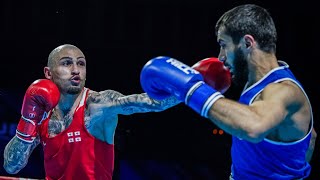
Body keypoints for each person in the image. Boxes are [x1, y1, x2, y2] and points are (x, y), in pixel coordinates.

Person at [140, 4, 317, 180]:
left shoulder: (282, 90)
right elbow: (311, 138)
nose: (221, 57)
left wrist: (192, 89)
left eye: (223, 45)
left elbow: (253, 127)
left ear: (247, 43)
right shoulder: (256, 84)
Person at [3, 44, 184, 180]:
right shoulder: (42, 113)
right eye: (67, 63)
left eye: (81, 64)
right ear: (48, 73)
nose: (76, 70)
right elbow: (11, 166)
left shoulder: (97, 104)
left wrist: (194, 88)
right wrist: (28, 120)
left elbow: (151, 103)